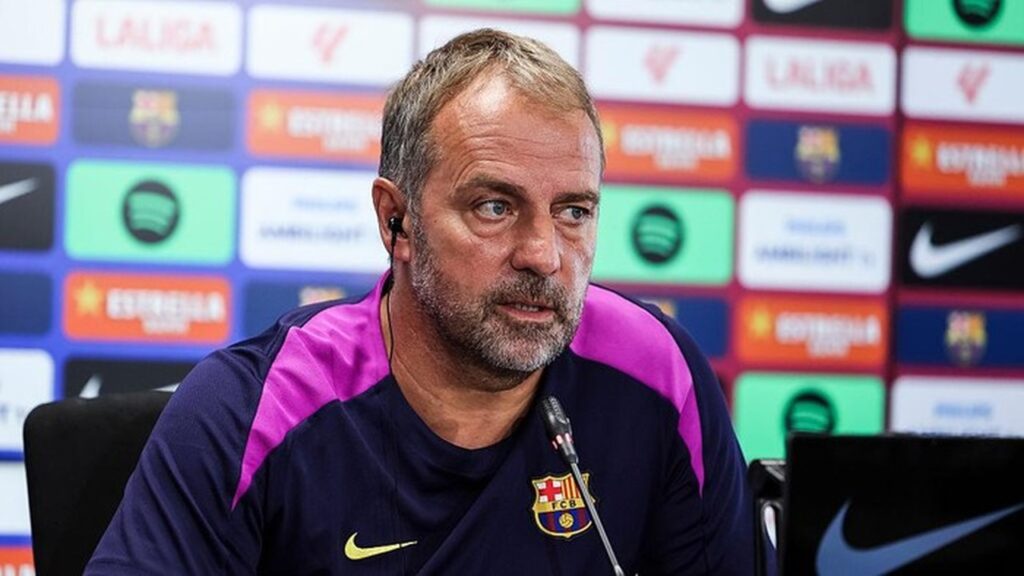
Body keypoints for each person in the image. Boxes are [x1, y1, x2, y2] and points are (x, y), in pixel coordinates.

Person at [87, 29, 759, 574]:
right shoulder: (250, 410)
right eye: (495, 207)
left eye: (574, 211)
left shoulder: (657, 370)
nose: (544, 254)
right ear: (396, 222)